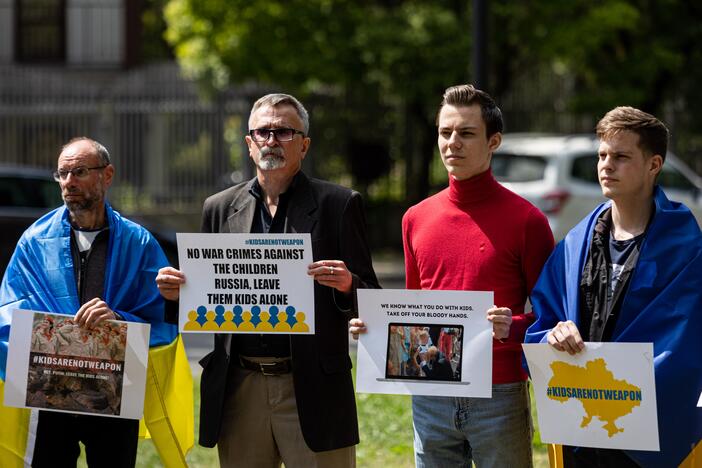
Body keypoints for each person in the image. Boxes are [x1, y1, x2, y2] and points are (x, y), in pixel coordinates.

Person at [156, 93, 379, 467]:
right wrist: (176, 293)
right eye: (262, 132)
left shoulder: (338, 204)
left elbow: (371, 296)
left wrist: (347, 284)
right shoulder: (219, 208)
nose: (271, 140)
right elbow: (204, 298)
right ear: (249, 143)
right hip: (239, 385)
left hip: (313, 388)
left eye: (284, 132)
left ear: (304, 145)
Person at [351, 84, 554, 467]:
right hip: (431, 392)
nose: (452, 143)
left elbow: (552, 315)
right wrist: (376, 332)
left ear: (493, 141)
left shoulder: (527, 221)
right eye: (445, 132)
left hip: (500, 390)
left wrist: (515, 324)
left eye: (466, 133)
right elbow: (415, 310)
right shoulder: (415, 218)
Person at [525, 107, 702, 467]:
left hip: (645, 430)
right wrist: (553, 336)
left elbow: (688, 342)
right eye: (602, 155)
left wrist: (620, 396)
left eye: (621, 157)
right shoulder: (576, 243)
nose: (606, 165)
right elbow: (544, 322)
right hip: (580, 425)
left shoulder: (686, 247)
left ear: (654, 165)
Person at [0, 137, 178, 467]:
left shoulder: (138, 243)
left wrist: (118, 319)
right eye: (62, 174)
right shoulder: (35, 241)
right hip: (49, 394)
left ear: (107, 175)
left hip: (113, 390)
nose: (69, 182)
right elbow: (8, 309)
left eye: (79, 171)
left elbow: (163, 316)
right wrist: (50, 334)